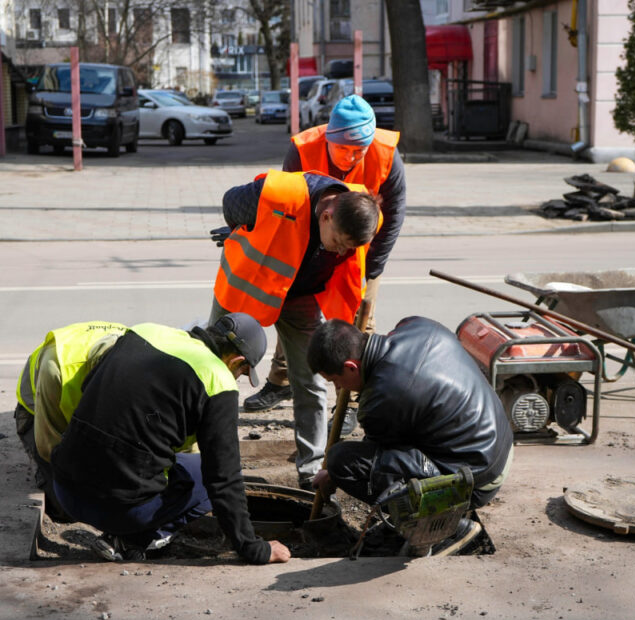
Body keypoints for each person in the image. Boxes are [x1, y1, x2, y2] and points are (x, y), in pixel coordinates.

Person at [49, 313, 291, 565]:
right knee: (203, 475)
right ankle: (134, 540)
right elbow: (223, 478)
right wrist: (255, 549)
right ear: (236, 360)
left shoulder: (145, 332)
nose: (237, 379)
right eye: (241, 373)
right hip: (119, 511)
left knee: (170, 462)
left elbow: (90, 386)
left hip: (65, 489)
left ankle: (122, 530)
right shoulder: (217, 378)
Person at [245, 95, 406, 436]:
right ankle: (282, 380)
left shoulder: (387, 155)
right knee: (295, 314)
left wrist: (371, 268)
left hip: (359, 250)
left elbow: (392, 218)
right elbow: (290, 205)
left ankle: (349, 402)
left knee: (356, 322)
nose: (352, 156)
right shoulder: (304, 150)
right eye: (344, 149)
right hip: (310, 246)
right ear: (329, 138)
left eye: (359, 149)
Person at [211, 169, 381, 489]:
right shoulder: (278, 194)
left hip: (300, 296)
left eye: (347, 248)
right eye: (338, 243)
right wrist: (243, 228)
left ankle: (311, 465)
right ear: (327, 216)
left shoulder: (362, 211)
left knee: (311, 377)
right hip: (245, 288)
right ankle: (209, 456)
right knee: (216, 368)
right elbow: (230, 203)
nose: (340, 253)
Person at [307, 316, 513, 531]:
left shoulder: (382, 400)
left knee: (342, 461)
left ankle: (437, 524)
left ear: (351, 367)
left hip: (475, 481)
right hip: (500, 446)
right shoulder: (417, 325)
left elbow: (375, 459)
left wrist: (333, 474)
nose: (340, 388)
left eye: (335, 381)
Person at [14, 320, 129, 521]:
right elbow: (49, 447)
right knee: (71, 508)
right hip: (38, 411)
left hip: (82, 410)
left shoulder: (139, 364)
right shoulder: (57, 368)